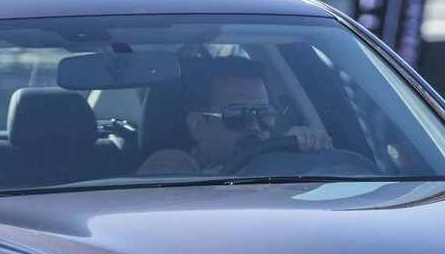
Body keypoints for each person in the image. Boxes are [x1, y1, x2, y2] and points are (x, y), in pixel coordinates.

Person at [137, 59, 327, 177]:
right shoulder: (167, 164)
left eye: (263, 116)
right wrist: (274, 160)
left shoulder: (281, 161)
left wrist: (310, 150)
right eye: (236, 116)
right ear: (197, 124)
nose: (254, 127)